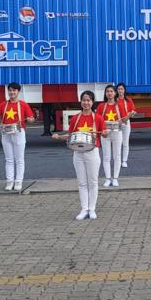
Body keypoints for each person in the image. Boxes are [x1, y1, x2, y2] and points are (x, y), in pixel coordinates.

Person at [52, 91, 106, 220]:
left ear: (92, 102)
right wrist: (59, 136)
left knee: (93, 182)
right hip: (78, 153)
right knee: (82, 183)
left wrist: (104, 133)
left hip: (92, 152)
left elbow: (104, 134)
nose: (86, 102)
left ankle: (92, 209)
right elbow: (70, 135)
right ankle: (84, 209)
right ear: (80, 102)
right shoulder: (75, 118)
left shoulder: (98, 118)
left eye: (88, 100)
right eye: (84, 100)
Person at [0, 83, 34, 192]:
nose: (12, 92)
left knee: (19, 159)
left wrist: (30, 119)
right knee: (8, 159)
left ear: (18, 92)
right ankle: (9, 181)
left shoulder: (23, 104)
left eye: (14, 90)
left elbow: (31, 118)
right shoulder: (3, 104)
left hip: (19, 132)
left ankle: (18, 181)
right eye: (10, 90)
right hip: (6, 132)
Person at [97, 85, 123, 187]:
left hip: (117, 132)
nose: (109, 93)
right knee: (106, 156)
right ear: (105, 93)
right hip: (105, 133)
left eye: (111, 91)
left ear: (115, 93)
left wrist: (125, 118)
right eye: (107, 91)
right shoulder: (101, 106)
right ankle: (108, 178)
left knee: (117, 156)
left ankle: (115, 178)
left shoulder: (119, 105)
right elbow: (97, 119)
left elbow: (124, 119)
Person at [116, 83, 136, 169]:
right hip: (118, 123)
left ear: (124, 90)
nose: (120, 90)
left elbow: (133, 111)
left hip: (127, 123)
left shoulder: (128, 100)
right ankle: (118, 160)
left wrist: (132, 114)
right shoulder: (115, 100)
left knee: (125, 143)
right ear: (117, 90)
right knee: (117, 143)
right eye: (119, 89)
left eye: (122, 89)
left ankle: (124, 161)